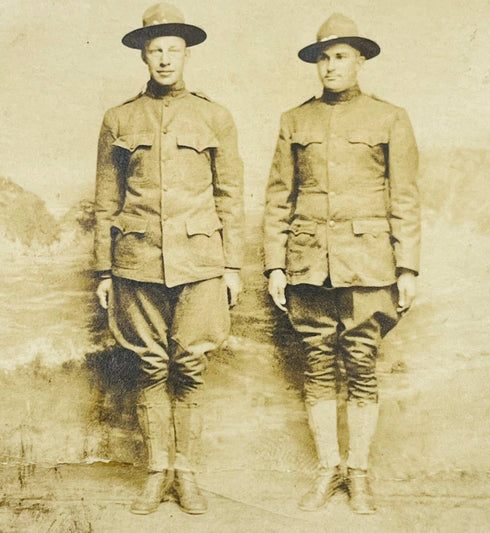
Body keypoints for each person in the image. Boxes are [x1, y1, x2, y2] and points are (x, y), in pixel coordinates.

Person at [263, 13, 420, 514]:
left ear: (361, 60)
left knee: (362, 365)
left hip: (370, 263)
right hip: (308, 263)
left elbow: (406, 198)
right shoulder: (295, 120)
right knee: (316, 365)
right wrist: (274, 267)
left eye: (340, 56)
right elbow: (277, 199)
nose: (330, 67)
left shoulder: (389, 116)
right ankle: (327, 468)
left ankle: (359, 473)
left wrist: (408, 269)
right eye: (323, 58)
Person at [93, 3, 244, 516]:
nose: (163, 59)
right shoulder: (119, 117)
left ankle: (188, 474)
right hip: (135, 260)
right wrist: (103, 271)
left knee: (191, 365)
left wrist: (232, 267)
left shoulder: (214, 115)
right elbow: (105, 200)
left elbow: (230, 196)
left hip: (200, 260)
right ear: (143, 54)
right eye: (154, 49)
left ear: (185, 54)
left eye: (172, 49)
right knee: (150, 365)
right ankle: (157, 474)